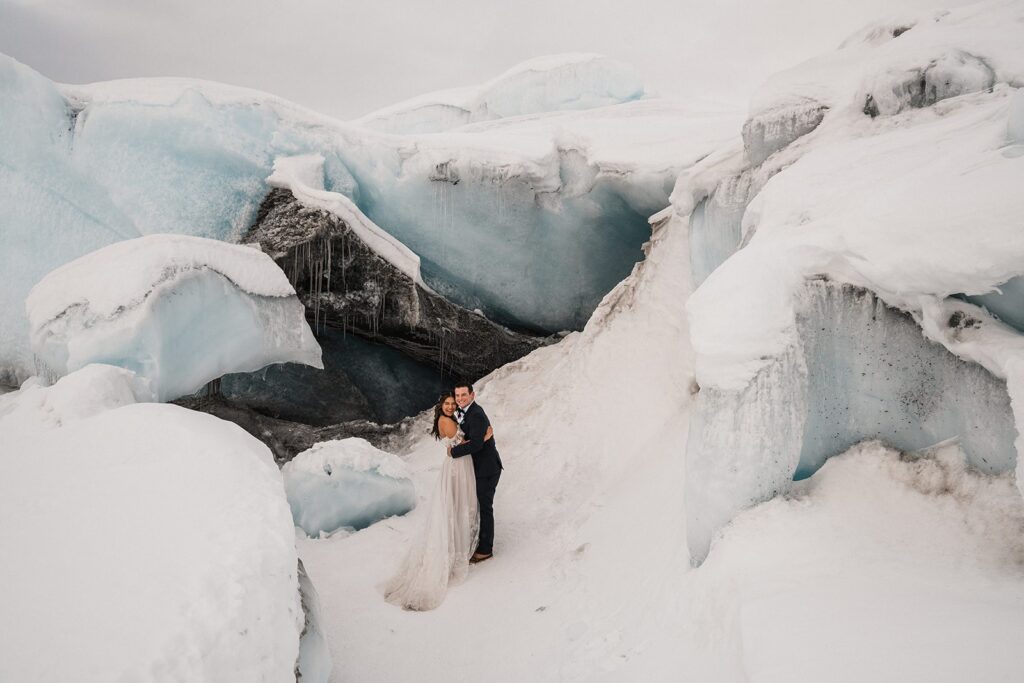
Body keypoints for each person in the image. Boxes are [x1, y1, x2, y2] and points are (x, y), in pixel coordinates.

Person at [383, 393, 490, 610]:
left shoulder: (449, 419)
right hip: (458, 466)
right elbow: (461, 445)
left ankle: (459, 543)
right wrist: (484, 438)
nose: (451, 406)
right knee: (457, 505)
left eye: (452, 403)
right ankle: (455, 550)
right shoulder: (446, 421)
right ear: (441, 407)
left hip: (459, 464)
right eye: (447, 404)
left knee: (458, 504)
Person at [449, 382, 502, 563]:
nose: (460, 399)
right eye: (458, 396)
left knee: (485, 507)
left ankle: (486, 549)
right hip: (477, 468)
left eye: (464, 395)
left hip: (487, 469)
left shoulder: (477, 414)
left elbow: (477, 444)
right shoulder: (464, 412)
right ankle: (477, 540)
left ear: (472, 395)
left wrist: (453, 452)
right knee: (477, 506)